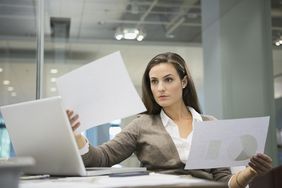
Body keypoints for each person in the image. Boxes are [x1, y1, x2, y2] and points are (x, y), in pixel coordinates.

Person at [67, 52, 272, 187]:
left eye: (168, 80)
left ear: (183, 82)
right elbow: (101, 158)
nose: (160, 88)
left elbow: (223, 182)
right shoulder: (142, 125)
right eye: (154, 82)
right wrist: (75, 134)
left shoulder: (209, 124)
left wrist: (251, 171)